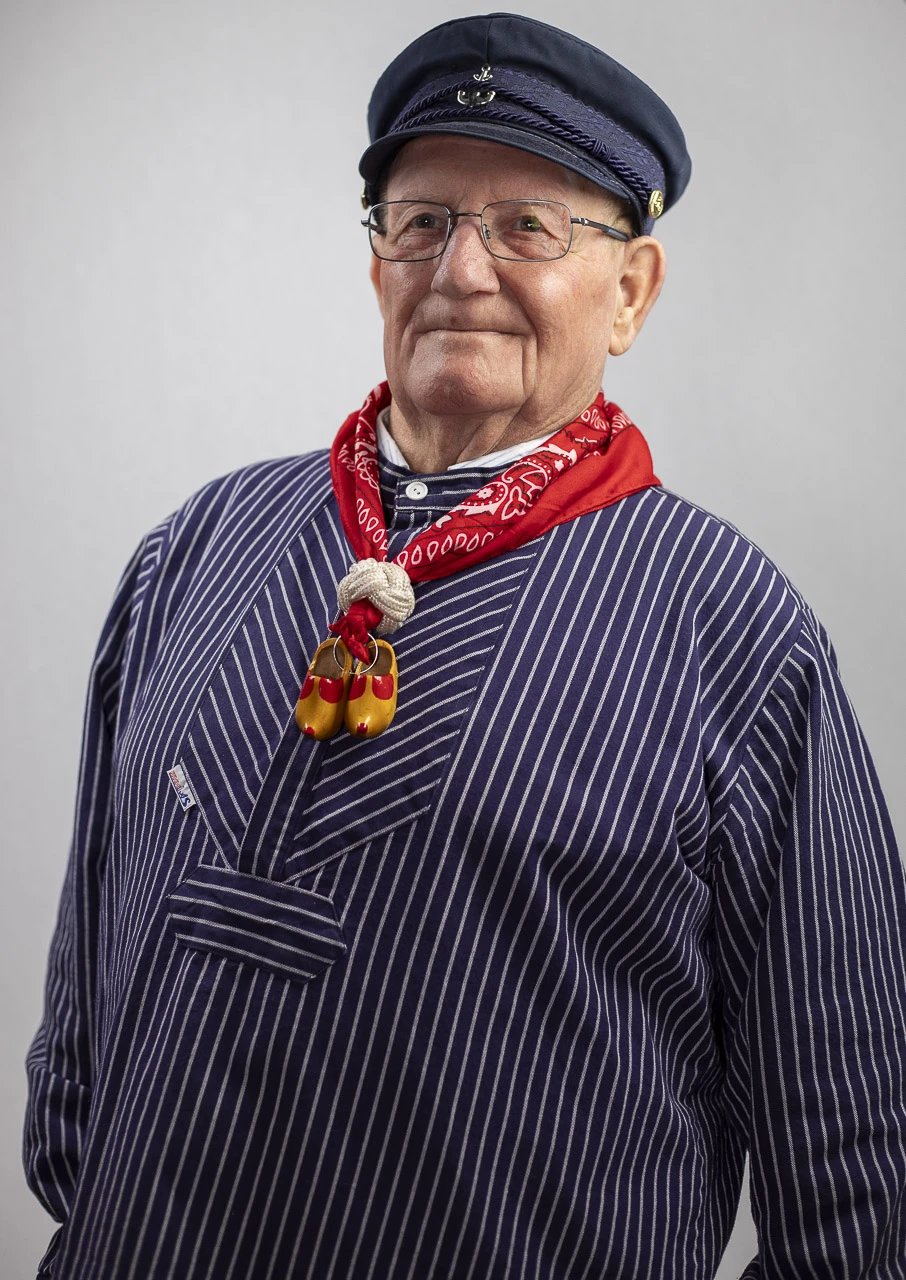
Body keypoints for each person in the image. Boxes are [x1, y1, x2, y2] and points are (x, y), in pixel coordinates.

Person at [22, 12, 906, 1279]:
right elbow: (79, 1037)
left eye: (528, 226)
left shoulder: (736, 631)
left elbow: (858, 1169)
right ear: (377, 262)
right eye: (422, 221)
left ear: (631, 290)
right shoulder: (198, 548)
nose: (461, 268)